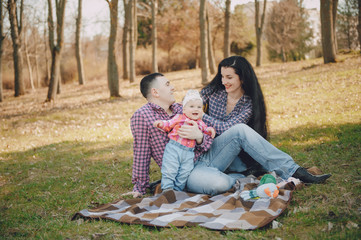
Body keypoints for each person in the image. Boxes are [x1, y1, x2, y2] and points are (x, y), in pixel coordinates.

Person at [123, 57, 330, 198]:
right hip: (186, 173)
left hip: (206, 157)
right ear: (155, 92)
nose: (173, 87)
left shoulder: (180, 108)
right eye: (167, 84)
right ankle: (244, 178)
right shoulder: (142, 117)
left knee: (239, 130)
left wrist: (200, 138)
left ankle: (294, 170)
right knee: (220, 185)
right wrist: (139, 189)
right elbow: (141, 153)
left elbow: (207, 138)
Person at [153, 90, 215, 192]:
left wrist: (210, 130)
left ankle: (177, 191)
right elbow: (168, 124)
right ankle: (167, 189)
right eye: (192, 106)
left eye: (199, 107)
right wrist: (161, 124)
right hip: (174, 148)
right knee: (170, 170)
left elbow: (206, 130)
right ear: (184, 109)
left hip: (189, 153)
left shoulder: (200, 123)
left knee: (185, 173)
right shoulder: (179, 118)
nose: (196, 109)